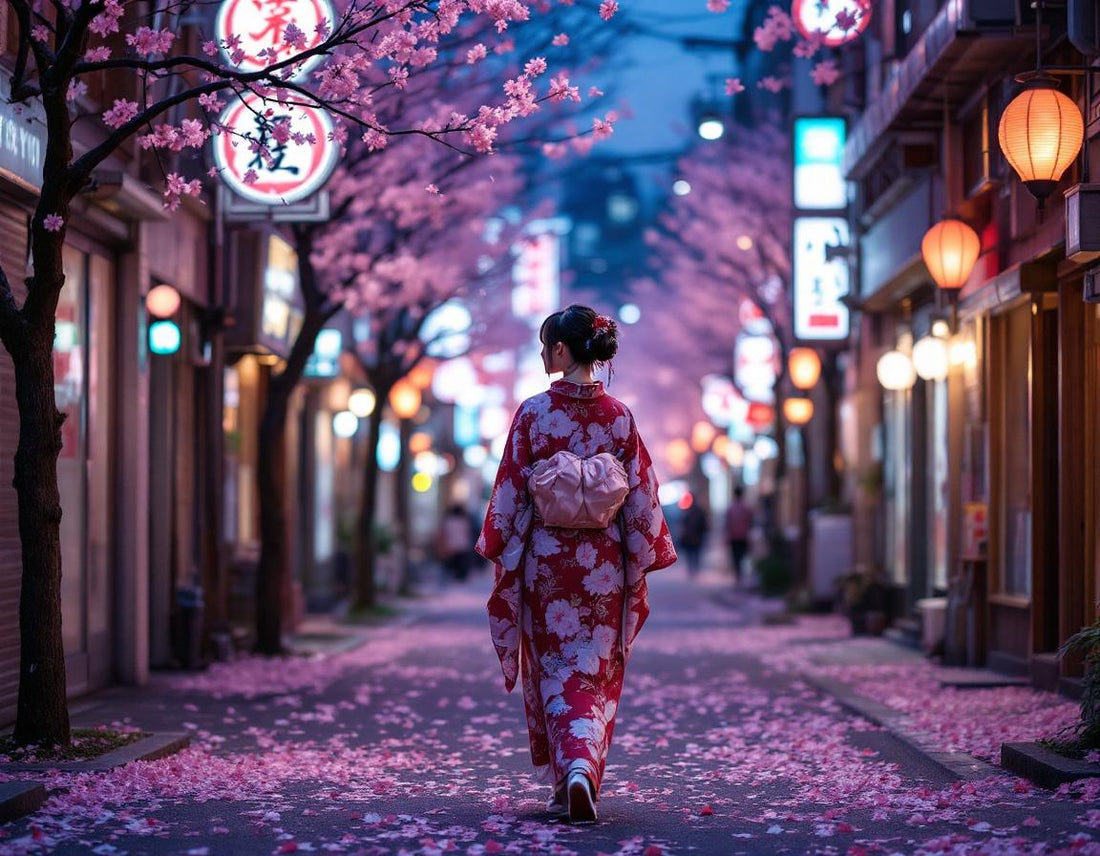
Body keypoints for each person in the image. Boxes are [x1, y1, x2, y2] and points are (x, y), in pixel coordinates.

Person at [477, 305, 676, 824]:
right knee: (594, 669)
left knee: (552, 669)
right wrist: (642, 552)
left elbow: (511, 490)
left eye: (546, 346)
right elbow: (641, 497)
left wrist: (499, 541)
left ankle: (574, 772)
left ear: (561, 351)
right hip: (603, 567)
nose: (544, 354)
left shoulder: (534, 414)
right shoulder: (620, 417)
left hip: (549, 562)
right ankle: (579, 773)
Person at [725, 485, 754, 586]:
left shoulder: (730, 508)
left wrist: (726, 536)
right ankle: (742, 576)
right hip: (744, 536)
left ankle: (738, 577)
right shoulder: (747, 508)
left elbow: (727, 524)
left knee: (736, 557)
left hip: (733, 537)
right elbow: (751, 522)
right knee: (743, 556)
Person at [439, 503, 474, 582]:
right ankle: (461, 578)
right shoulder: (464, 520)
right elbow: (467, 532)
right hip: (462, 544)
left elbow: (445, 533)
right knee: (461, 563)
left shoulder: (448, 521)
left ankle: (455, 578)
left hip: (452, 545)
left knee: (453, 563)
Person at [677, 497, 709, 577]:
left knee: (690, 553)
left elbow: (683, 524)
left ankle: (692, 569)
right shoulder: (700, 511)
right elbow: (704, 524)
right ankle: (695, 569)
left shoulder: (688, 511)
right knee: (696, 552)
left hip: (690, 536)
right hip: (697, 536)